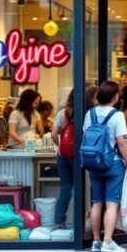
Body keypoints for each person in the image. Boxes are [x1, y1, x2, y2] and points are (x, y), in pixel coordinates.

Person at [84, 80, 127, 252]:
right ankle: (108, 241)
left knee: (97, 202)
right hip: (112, 163)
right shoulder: (117, 115)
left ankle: (96, 241)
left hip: (94, 163)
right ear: (115, 97)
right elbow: (121, 142)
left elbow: (86, 136)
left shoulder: (89, 114)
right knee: (112, 204)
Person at [51, 90, 74, 230]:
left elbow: (54, 134)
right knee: (82, 189)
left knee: (65, 189)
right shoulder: (86, 112)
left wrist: (60, 146)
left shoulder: (63, 113)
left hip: (63, 156)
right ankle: (80, 222)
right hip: (78, 156)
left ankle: (59, 222)